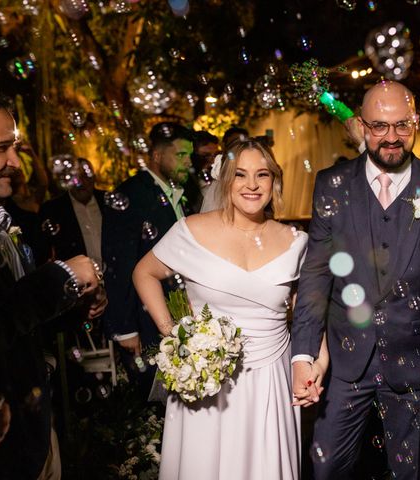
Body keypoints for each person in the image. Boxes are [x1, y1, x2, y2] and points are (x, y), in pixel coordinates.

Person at [291, 81, 420, 480]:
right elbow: (316, 277)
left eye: (402, 126)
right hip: (343, 363)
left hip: (417, 363)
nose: (391, 137)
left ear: (416, 124)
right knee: (325, 470)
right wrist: (303, 355)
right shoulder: (330, 184)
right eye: (379, 126)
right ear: (361, 125)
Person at [133, 138, 313, 479]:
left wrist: (315, 362)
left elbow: (307, 311)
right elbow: (144, 272)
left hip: (270, 379)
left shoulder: (296, 242)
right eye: (241, 175)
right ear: (225, 180)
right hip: (207, 379)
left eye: (262, 175)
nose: (252, 185)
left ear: (274, 181)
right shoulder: (190, 231)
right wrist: (175, 335)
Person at [0, 82, 102, 479]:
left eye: (15, 148)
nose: (17, 163)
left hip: (31, 433)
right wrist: (59, 279)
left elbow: (14, 318)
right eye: (0, 148)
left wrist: (71, 303)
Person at [102, 123, 199, 390]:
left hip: (180, 312)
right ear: (156, 156)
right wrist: (125, 328)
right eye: (181, 155)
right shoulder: (130, 195)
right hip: (144, 320)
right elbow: (118, 264)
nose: (188, 163)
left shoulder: (186, 196)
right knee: (153, 396)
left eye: (190, 156)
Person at [200, 126, 249, 213]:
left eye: (244, 143)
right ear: (225, 146)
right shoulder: (219, 174)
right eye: (235, 144)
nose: (240, 147)